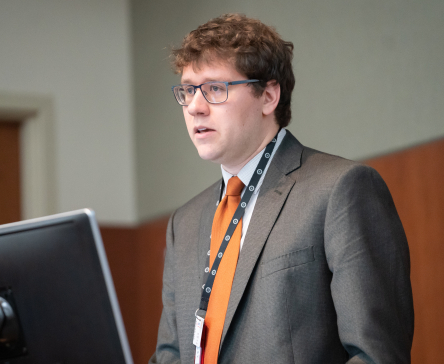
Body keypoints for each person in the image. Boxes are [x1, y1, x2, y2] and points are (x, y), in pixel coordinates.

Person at [150, 13, 413, 364]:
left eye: (215, 88)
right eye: (187, 90)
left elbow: (377, 355)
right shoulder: (183, 224)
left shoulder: (340, 190)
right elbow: (169, 356)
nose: (195, 107)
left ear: (268, 96)